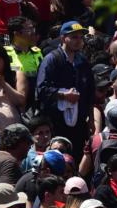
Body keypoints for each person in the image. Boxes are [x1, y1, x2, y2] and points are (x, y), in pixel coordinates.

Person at [35, 21, 95, 161]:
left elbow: (90, 92)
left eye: (80, 37)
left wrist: (91, 120)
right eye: (74, 37)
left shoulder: (82, 62)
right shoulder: (52, 59)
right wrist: (63, 95)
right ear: (63, 38)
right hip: (56, 122)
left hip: (79, 123)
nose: (78, 41)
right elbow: (41, 89)